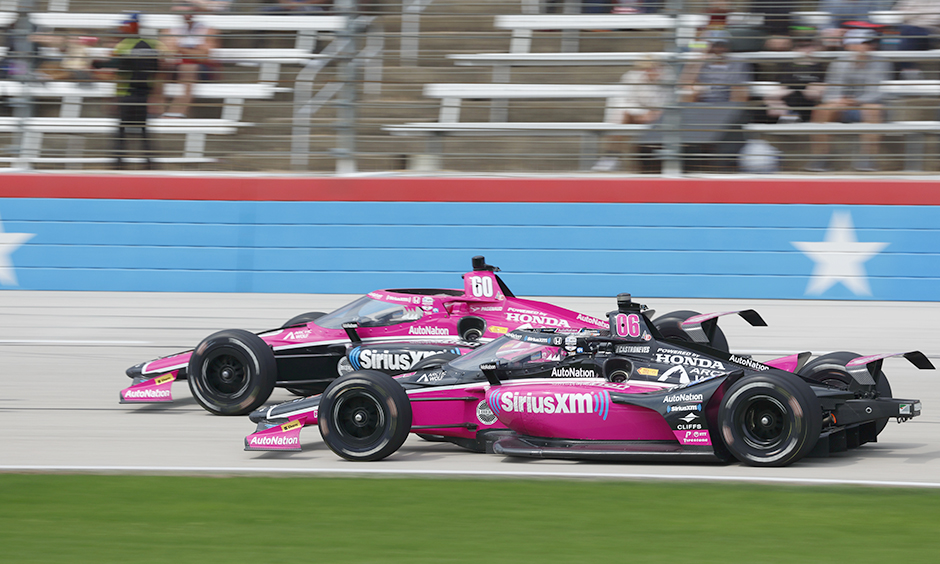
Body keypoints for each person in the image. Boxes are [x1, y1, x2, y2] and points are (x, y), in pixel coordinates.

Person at [805, 28, 891, 172]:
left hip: (865, 107)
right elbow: (830, 93)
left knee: (874, 108)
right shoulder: (838, 64)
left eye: (870, 43)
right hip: (842, 106)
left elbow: (877, 93)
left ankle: (867, 159)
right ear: (850, 45)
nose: (868, 46)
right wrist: (839, 101)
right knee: (821, 110)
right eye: (863, 42)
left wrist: (854, 101)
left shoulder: (881, 62)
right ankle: (821, 158)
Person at [102, 13, 164, 169]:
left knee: (124, 133)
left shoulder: (123, 47)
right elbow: (160, 69)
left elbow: (115, 70)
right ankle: (148, 167)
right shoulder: (151, 44)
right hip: (139, 94)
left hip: (131, 94)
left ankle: (120, 167)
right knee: (141, 133)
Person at [592, 57, 674, 172]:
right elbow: (625, 101)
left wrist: (654, 113)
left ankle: (612, 157)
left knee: (626, 121)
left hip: (659, 116)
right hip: (636, 111)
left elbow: (668, 103)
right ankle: (611, 157)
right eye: (647, 68)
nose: (651, 71)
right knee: (622, 115)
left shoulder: (668, 80)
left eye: (655, 68)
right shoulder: (631, 77)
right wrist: (639, 114)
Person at [161, 5, 219, 118]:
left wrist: (180, 49)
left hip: (200, 69)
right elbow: (167, 53)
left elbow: (203, 56)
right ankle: (155, 110)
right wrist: (193, 51)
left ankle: (177, 111)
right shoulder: (169, 29)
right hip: (176, 67)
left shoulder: (208, 30)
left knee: (188, 68)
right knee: (158, 67)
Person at [679, 29, 752, 104]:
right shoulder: (701, 62)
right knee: (687, 91)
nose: (718, 49)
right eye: (714, 45)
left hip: (727, 102)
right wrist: (701, 57)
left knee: (739, 90)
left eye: (721, 45)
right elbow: (684, 83)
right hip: (702, 102)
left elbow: (740, 90)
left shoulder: (738, 63)